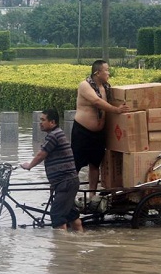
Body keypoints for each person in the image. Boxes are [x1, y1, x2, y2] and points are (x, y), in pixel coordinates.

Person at [71, 60, 129, 197]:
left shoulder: (106, 88)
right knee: (76, 165)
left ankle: (92, 196)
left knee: (95, 164)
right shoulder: (84, 85)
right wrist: (117, 110)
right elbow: (96, 102)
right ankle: (70, 196)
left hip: (99, 134)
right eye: (106, 70)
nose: (109, 73)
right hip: (82, 132)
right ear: (97, 72)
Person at [21, 108, 83, 232]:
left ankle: (61, 248)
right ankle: (80, 241)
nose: (40, 123)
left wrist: (29, 166)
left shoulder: (54, 136)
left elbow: (41, 155)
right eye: (40, 120)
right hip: (66, 182)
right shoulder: (57, 134)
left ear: (52, 122)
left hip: (66, 183)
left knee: (56, 215)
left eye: (43, 120)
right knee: (71, 215)